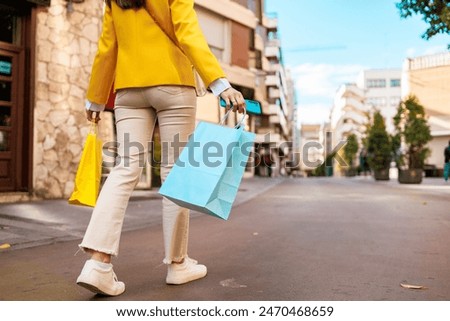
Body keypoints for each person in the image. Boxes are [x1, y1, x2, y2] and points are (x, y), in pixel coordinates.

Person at [76, 0, 246, 296]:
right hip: (172, 84)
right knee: (175, 173)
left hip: (129, 87)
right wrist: (219, 83)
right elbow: (186, 28)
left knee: (125, 168)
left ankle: (98, 263)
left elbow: (107, 45)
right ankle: (177, 264)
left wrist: (95, 98)